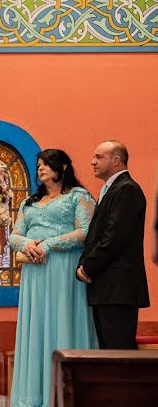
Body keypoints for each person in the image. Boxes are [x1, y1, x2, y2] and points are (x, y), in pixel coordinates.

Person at [7, 149, 97, 407]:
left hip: (64, 269)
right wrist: (28, 244)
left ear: (64, 166)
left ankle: (69, 398)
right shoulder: (29, 203)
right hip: (36, 272)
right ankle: (33, 404)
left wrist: (48, 244)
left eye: (46, 164)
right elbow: (13, 235)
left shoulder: (78, 197)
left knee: (63, 323)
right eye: (38, 165)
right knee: (38, 328)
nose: (41, 168)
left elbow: (84, 232)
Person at [77, 140, 149, 349]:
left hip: (118, 288)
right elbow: (97, 235)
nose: (93, 162)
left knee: (119, 354)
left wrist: (88, 266)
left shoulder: (127, 189)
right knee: (108, 354)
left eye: (99, 157)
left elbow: (115, 237)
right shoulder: (111, 189)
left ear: (117, 161)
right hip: (107, 288)